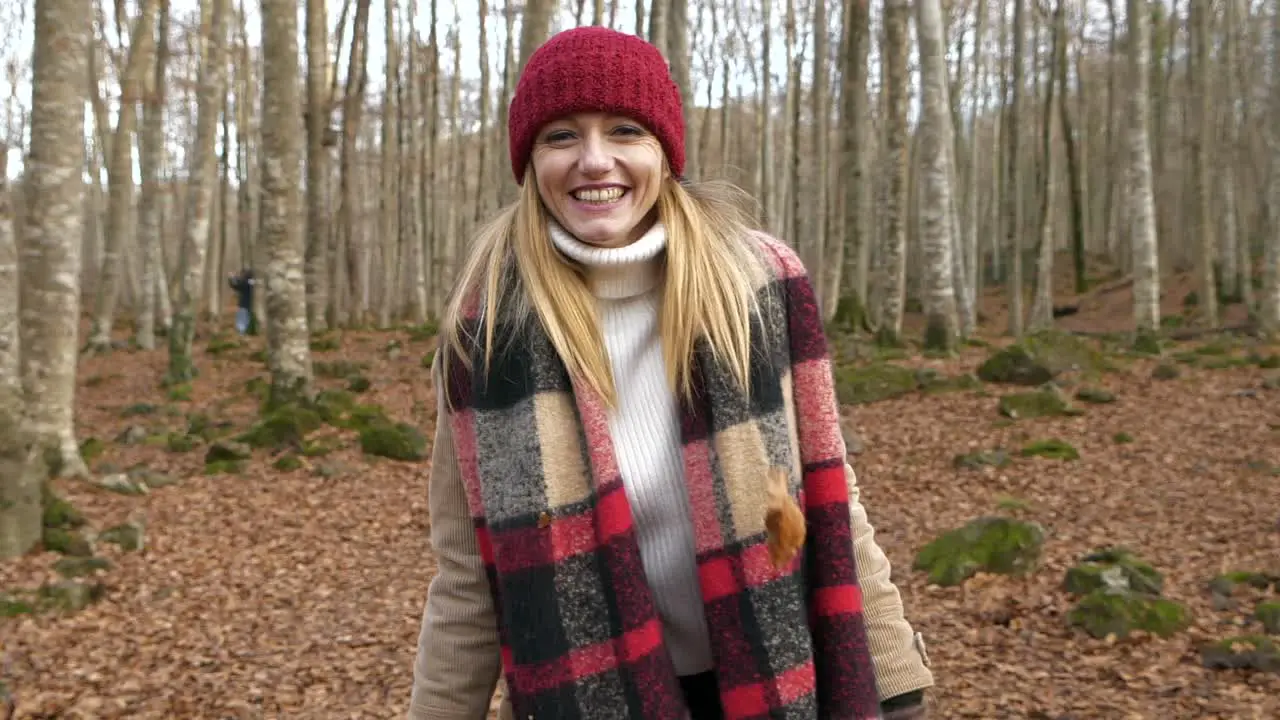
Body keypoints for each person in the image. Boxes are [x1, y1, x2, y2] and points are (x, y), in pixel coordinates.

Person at [409, 26, 933, 720]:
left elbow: (832, 499)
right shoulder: (485, 337)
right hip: (588, 697)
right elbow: (468, 582)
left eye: (624, 130)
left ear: (663, 150)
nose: (595, 161)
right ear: (530, 161)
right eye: (560, 136)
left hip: (773, 683)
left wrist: (894, 678)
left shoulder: (761, 286)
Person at [227, 268, 255, 335]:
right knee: (245, 320)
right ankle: (243, 333)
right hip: (248, 306)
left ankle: (241, 334)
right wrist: (234, 278)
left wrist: (232, 277)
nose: (241, 275)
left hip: (244, 305)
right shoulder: (250, 282)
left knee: (242, 322)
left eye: (242, 274)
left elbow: (236, 285)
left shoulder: (246, 283)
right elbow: (238, 283)